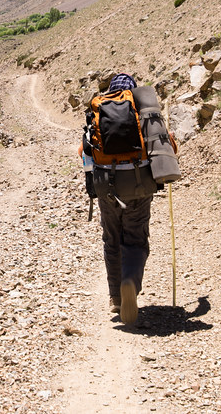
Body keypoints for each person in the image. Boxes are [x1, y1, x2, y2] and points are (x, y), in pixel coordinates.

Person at [82, 72, 168, 325]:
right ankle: (130, 280)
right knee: (135, 238)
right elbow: (165, 147)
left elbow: (85, 153)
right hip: (139, 187)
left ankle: (116, 298)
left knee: (111, 239)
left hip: (107, 188)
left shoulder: (97, 114)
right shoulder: (142, 112)